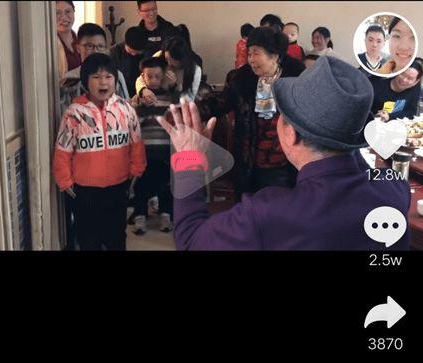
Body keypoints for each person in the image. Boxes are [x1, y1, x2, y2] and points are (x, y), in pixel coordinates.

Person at [157, 57, 410, 251]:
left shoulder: (267, 214)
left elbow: (191, 239)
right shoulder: (394, 189)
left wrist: (189, 157)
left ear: (291, 134)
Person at [53, 54, 147, 251]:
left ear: (115, 79)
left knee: (116, 236)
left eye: (108, 77)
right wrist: (65, 180)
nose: (103, 82)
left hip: (118, 186)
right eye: (96, 77)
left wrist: (137, 169)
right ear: (85, 81)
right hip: (84, 189)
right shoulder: (74, 113)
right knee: (88, 237)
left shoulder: (125, 109)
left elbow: (136, 144)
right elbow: (63, 150)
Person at [200, 27, 304, 200]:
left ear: (274, 56)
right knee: (247, 207)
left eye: (256, 53)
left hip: (285, 162)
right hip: (249, 161)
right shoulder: (242, 78)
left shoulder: (296, 77)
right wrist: (194, 110)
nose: (251, 59)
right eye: (249, 54)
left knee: (280, 208)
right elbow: (220, 104)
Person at [131, 57, 174, 234]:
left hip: (164, 150)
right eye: (149, 76)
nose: (154, 80)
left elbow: (174, 123)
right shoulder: (138, 100)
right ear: (143, 77)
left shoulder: (170, 99)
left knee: (165, 185)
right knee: (141, 186)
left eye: (157, 76)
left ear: (164, 76)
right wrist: (142, 107)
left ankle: (165, 215)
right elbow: (134, 125)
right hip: (145, 151)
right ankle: (140, 216)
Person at [65, 23, 129, 100]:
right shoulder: (69, 79)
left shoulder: (116, 76)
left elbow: (125, 103)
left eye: (100, 46)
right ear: (78, 48)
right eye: (89, 46)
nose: (95, 51)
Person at [136, 36, 202, 103]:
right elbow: (142, 78)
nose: (169, 63)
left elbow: (189, 98)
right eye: (167, 59)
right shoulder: (160, 56)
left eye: (173, 60)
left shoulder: (195, 70)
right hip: (152, 100)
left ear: (181, 59)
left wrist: (174, 87)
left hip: (174, 104)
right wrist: (143, 90)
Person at [110, 26, 148, 98]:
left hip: (141, 92)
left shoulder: (147, 53)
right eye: (131, 51)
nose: (133, 54)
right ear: (125, 43)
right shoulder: (114, 53)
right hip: (120, 93)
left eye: (137, 53)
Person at [56, 0, 82, 85]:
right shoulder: (49, 44)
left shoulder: (80, 39)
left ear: (74, 12)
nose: (63, 17)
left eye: (68, 11)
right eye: (57, 13)